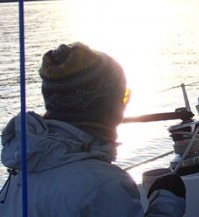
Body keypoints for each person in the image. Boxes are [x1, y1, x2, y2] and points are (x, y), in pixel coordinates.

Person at [0, 42, 186, 216]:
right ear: (104, 106)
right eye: (123, 96)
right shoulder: (103, 184)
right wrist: (167, 204)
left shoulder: (23, 165)